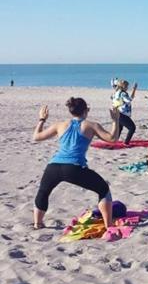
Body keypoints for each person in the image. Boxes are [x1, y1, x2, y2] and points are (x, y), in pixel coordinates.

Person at [32, 97, 120, 229]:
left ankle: (37, 224)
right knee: (103, 189)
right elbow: (113, 139)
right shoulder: (91, 125)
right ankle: (109, 225)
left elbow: (36, 137)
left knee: (43, 192)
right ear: (86, 110)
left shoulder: (59, 125)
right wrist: (115, 120)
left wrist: (42, 119)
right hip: (73, 168)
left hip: (53, 166)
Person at [111, 79, 138, 144]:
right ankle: (126, 143)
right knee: (132, 128)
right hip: (122, 114)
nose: (127, 88)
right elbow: (129, 100)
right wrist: (134, 89)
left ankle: (115, 141)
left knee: (120, 129)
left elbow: (112, 98)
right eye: (127, 86)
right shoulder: (123, 93)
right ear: (123, 86)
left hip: (117, 113)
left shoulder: (116, 92)